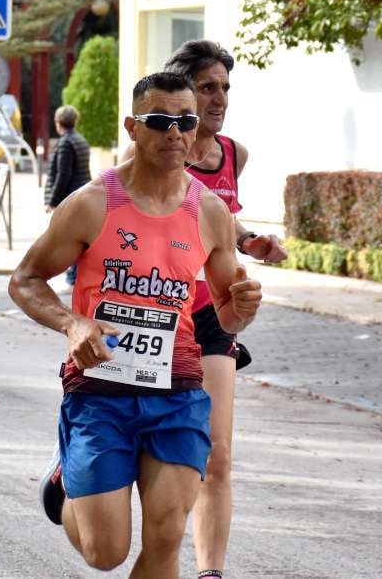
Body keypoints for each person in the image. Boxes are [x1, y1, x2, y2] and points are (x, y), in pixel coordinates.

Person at [9, 71, 263, 577]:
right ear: (132, 127)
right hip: (101, 390)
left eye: (185, 121)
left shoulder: (210, 213)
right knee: (106, 552)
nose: (175, 132)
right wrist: (73, 323)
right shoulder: (91, 204)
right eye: (160, 120)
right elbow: (25, 280)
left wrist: (244, 307)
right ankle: (63, 489)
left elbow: (226, 313)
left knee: (167, 535)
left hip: (178, 391)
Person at [124, 40, 288, 578]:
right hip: (152, 311)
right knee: (129, 433)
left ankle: (210, 572)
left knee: (217, 454)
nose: (218, 99)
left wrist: (249, 241)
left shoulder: (233, 155)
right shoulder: (148, 150)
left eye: (224, 88)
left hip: (210, 315)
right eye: (207, 88)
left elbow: (215, 217)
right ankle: (75, 465)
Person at [44, 104, 92, 286]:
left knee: (69, 239)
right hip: (83, 193)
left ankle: (73, 277)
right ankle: (75, 275)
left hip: (71, 197)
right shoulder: (80, 139)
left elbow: (62, 174)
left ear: (58, 122)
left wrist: (53, 201)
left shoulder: (65, 143)